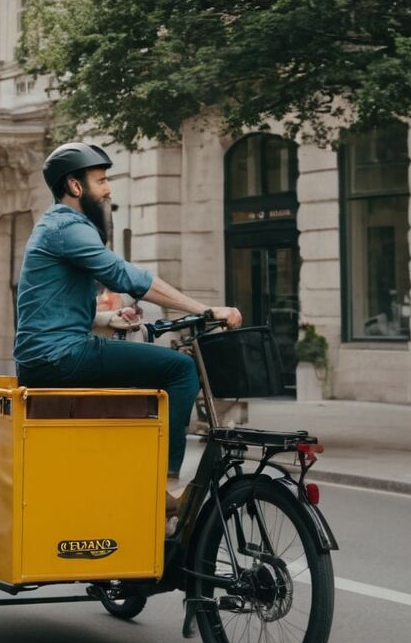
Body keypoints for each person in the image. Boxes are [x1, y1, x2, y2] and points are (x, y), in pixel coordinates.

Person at [13, 142, 243, 502]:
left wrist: (108, 318)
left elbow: (51, 308)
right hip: (60, 357)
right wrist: (204, 309)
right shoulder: (68, 227)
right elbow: (126, 276)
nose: (108, 189)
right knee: (181, 370)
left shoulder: (55, 227)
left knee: (140, 387)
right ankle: (164, 488)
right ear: (75, 186)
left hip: (47, 356)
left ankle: (126, 483)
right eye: (101, 180)